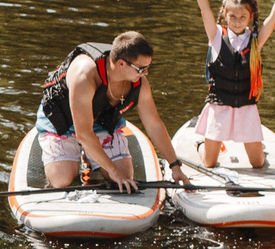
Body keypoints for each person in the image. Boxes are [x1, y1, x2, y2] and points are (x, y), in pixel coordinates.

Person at [184, 0, 275, 170]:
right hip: (219, 106)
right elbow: (205, 10)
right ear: (225, 16)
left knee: (258, 164)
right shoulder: (216, 37)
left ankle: (258, 149)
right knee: (209, 163)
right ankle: (202, 143)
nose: (237, 21)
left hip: (246, 107)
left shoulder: (255, 40)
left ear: (250, 17)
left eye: (242, 17)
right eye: (232, 17)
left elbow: (274, 18)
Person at [34, 30, 189, 191]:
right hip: (63, 122)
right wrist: (113, 171)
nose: (146, 73)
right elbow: (84, 133)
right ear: (121, 64)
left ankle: (92, 163)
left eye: (148, 67)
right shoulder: (84, 75)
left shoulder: (139, 83)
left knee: (125, 176)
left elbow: (154, 125)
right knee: (61, 180)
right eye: (141, 68)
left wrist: (175, 166)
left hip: (102, 122)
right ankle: (77, 157)